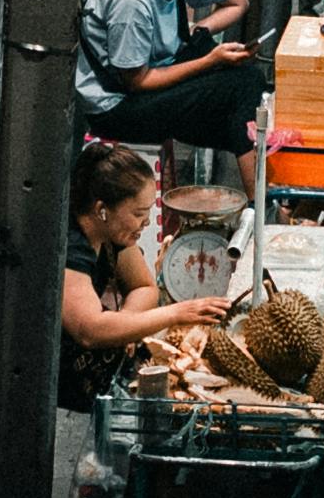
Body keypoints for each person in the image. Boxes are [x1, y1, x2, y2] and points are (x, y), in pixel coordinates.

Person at [75, 0, 263, 152]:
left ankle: (257, 180)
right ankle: (255, 190)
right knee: (239, 90)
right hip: (117, 108)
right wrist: (211, 60)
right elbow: (137, 81)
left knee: (248, 87)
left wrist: (198, 30)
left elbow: (238, 2)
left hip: (157, 74)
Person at [59, 141, 228, 401]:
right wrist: (176, 313)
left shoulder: (113, 233)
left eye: (148, 212)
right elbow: (89, 330)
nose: (146, 223)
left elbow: (144, 287)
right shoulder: (70, 248)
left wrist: (127, 322)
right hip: (58, 372)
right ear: (102, 210)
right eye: (139, 213)